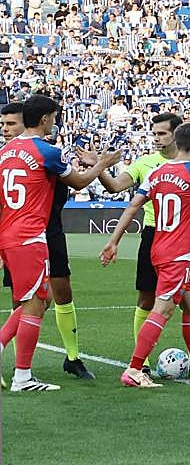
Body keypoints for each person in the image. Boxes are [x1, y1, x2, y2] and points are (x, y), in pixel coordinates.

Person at [99, 122, 190, 388]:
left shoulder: (156, 173)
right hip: (178, 254)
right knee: (163, 310)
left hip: (159, 246)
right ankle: (134, 369)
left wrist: (114, 241)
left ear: (177, 143)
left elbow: (133, 206)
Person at [0, 95, 114, 392]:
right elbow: (78, 182)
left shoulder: (7, 151)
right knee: (35, 305)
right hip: (30, 235)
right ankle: (22, 377)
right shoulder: (47, 151)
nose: (55, 121)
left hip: (9, 233)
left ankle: (9, 356)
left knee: (35, 300)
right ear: (44, 119)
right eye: (54, 117)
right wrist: (102, 163)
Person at [96, 111, 185, 352]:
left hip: (184, 239)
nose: (156, 138)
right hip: (153, 234)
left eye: (162, 133)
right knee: (146, 298)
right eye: (154, 134)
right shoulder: (145, 163)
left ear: (176, 134)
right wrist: (99, 167)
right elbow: (115, 187)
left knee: (189, 301)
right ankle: (141, 360)